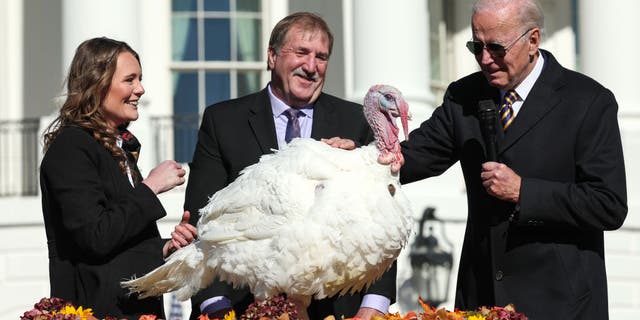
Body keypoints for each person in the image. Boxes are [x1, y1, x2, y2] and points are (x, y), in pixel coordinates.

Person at [388, 0, 627, 319]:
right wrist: (354, 157)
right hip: (482, 296)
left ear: (533, 40)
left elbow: (608, 204)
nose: (485, 60)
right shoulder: (464, 96)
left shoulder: (587, 101)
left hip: (558, 303)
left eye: (497, 48)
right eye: (477, 47)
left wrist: (523, 192)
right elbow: (410, 157)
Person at [183, 11, 396, 320]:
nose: (311, 67)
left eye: (321, 57)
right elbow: (201, 223)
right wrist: (218, 310)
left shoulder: (356, 124)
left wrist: (372, 307)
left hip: (335, 309)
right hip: (242, 307)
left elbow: (382, 220)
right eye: (301, 53)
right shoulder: (223, 121)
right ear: (272, 56)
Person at [40, 37, 197, 319]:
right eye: (129, 80)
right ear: (97, 84)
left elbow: (123, 242)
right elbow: (95, 236)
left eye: (140, 79)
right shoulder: (71, 147)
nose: (140, 89)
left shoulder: (116, 148)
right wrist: (150, 187)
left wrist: (166, 247)